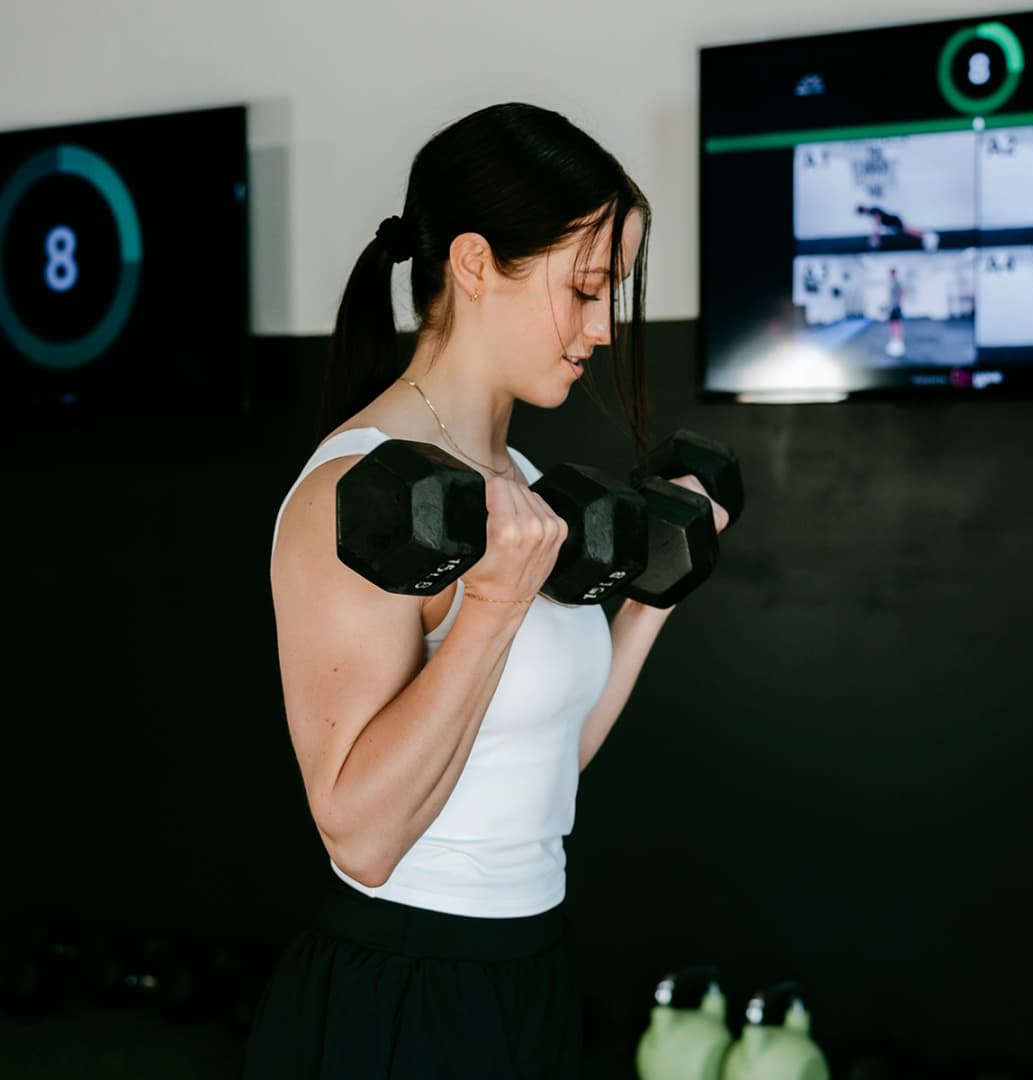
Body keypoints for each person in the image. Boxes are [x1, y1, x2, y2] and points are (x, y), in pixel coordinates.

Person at [242, 102, 729, 1079]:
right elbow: (363, 836)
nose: (601, 327)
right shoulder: (354, 490)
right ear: (473, 264)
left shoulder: (517, 473)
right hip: (403, 990)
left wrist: (655, 597)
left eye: (613, 294)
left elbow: (551, 758)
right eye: (585, 288)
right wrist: (496, 611)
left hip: (528, 970)